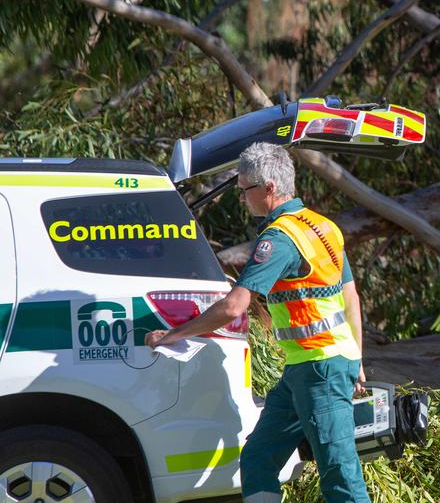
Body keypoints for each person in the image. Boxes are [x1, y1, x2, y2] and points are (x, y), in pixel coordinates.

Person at [146, 142, 370, 503]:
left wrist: (174, 334)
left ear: (268, 188)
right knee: (259, 458)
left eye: (244, 189)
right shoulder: (323, 226)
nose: (242, 197)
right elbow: (351, 297)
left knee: (339, 472)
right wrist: (356, 359)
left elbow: (235, 307)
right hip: (310, 368)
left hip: (319, 369)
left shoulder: (279, 239)